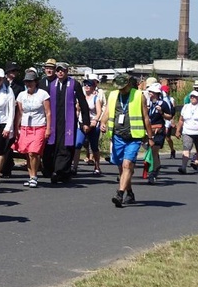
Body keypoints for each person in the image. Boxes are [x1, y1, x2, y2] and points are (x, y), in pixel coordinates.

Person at [100, 73, 154, 208]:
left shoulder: (139, 96)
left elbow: (146, 117)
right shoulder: (112, 95)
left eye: (123, 87)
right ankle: (130, 192)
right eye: (119, 87)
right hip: (117, 136)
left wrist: (150, 136)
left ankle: (120, 193)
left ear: (129, 84)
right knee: (121, 167)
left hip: (134, 137)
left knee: (127, 165)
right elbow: (107, 112)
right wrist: (102, 122)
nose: (121, 90)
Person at [47, 62, 90, 183]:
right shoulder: (52, 85)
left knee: (66, 146)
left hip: (69, 121)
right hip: (55, 121)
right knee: (55, 146)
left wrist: (86, 122)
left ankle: (59, 171)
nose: (60, 72)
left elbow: (83, 103)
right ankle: (63, 172)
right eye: (58, 70)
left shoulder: (74, 84)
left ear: (67, 72)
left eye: (63, 70)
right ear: (56, 72)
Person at [13, 71, 51, 188]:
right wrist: (16, 128)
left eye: (31, 81)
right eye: (26, 82)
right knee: (27, 153)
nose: (28, 84)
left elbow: (48, 113)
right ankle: (31, 176)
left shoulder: (43, 94)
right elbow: (19, 113)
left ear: (36, 82)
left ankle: (34, 176)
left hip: (39, 126)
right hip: (25, 127)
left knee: (33, 152)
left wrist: (48, 129)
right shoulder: (21, 95)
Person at [72, 78, 104, 175]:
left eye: (89, 85)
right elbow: (78, 110)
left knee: (94, 147)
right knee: (77, 144)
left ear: (93, 87)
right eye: (85, 85)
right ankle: (75, 167)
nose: (86, 87)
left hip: (93, 125)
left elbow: (99, 112)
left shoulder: (96, 98)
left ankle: (97, 166)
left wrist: (95, 120)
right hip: (82, 124)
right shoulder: (81, 98)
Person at [175, 91, 198, 174]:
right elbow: (181, 120)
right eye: (191, 97)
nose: (192, 98)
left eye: (194, 97)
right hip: (187, 131)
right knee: (186, 148)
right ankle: (183, 167)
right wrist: (178, 130)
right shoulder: (186, 107)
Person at [144, 82, 172, 183]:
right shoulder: (147, 103)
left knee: (154, 150)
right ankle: (157, 166)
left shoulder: (163, 104)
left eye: (152, 92)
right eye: (150, 92)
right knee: (151, 150)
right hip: (149, 130)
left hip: (158, 130)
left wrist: (161, 112)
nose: (150, 93)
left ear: (157, 93)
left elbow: (169, 116)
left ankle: (153, 172)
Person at [161, 84, 177, 159]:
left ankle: (172, 150)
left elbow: (173, 111)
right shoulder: (160, 99)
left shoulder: (171, 99)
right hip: (161, 119)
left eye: (166, 92)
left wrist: (172, 120)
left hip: (168, 119)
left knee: (167, 137)